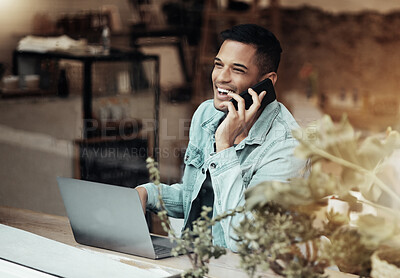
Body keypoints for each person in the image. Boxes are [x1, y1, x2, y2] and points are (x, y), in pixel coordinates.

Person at [136, 24, 306, 252]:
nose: (221, 78)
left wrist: (224, 145)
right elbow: (198, 196)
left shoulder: (287, 147)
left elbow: (246, 240)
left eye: (237, 70)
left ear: (267, 81)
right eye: (218, 65)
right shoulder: (208, 114)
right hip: (195, 259)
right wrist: (148, 194)